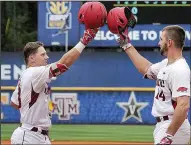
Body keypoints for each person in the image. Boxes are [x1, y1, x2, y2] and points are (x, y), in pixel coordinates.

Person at [107, 8, 190, 145]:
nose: (158, 43)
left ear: (169, 42)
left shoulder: (180, 69)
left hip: (174, 128)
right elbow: (145, 69)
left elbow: (183, 105)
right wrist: (126, 45)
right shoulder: (166, 64)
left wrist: (169, 135)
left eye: (161, 39)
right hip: (165, 126)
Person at [10, 28, 98, 144]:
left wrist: (33, 111)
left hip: (37, 136)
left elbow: (15, 103)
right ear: (32, 58)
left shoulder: (27, 75)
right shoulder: (33, 73)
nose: (47, 57)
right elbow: (63, 64)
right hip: (29, 138)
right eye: (43, 54)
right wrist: (84, 41)